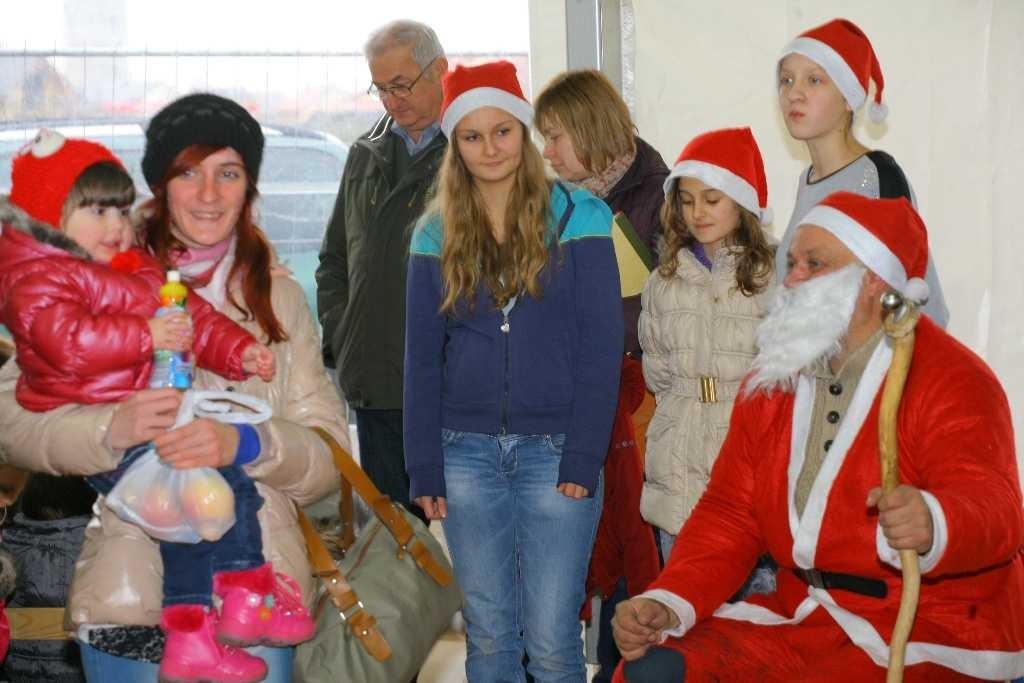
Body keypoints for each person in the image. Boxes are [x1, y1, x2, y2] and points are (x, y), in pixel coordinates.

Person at [0, 92, 348, 683]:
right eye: (189, 173)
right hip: (131, 589)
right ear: (160, 185)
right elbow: (13, 423)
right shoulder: (90, 272)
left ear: (249, 187)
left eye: (228, 173)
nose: (208, 194)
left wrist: (250, 443)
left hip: (252, 600)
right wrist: (111, 429)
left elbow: (328, 458)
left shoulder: (279, 300)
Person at [611, 192, 1024, 682]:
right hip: (806, 615)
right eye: (792, 263)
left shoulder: (952, 379)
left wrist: (936, 520)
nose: (791, 279)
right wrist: (669, 600)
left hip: (929, 626)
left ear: (872, 280)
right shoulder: (774, 378)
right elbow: (731, 513)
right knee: (654, 672)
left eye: (814, 264)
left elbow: (997, 508)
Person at [404, 61, 623, 682]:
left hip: (557, 454)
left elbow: (601, 347)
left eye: (502, 131)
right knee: (490, 637)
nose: (490, 148)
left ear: (523, 131)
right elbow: (420, 359)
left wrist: (583, 456)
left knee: (553, 642)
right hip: (464, 454)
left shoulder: (581, 216)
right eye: (472, 136)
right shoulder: (433, 232)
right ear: (455, 145)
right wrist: (424, 465)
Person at [533, 67, 664, 682]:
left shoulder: (661, 199)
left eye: (556, 136)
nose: (547, 152)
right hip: (572, 403)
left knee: (634, 559)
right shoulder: (552, 204)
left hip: (638, 409)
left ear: (590, 128)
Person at [316, 19, 448, 526]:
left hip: (448, 387)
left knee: (464, 549)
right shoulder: (364, 154)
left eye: (402, 85)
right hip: (374, 383)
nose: (392, 101)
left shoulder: (469, 151)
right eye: (381, 89)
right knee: (395, 544)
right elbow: (335, 260)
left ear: (439, 70)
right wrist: (343, 331)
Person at [639, 128, 776, 581]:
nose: (698, 212)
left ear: (741, 203)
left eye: (712, 199)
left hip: (744, 456)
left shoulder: (770, 279)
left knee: (752, 605)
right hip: (678, 464)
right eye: (687, 200)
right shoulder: (664, 281)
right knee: (682, 600)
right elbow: (657, 372)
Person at [775, 17, 949, 327]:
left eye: (813, 80)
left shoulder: (878, 177)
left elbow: (919, 298)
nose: (793, 94)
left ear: (848, 97)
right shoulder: (807, 181)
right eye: (786, 80)